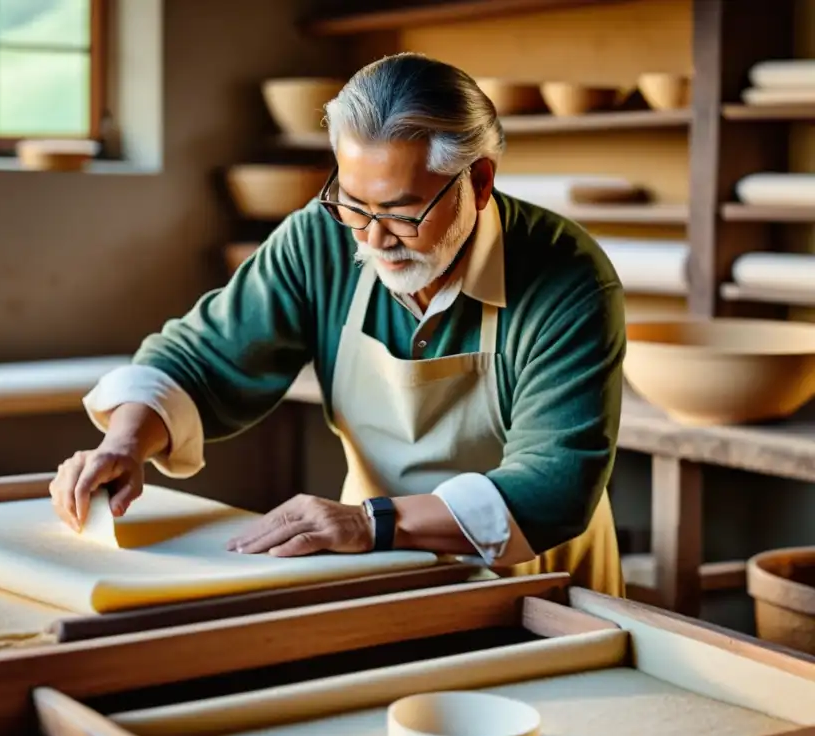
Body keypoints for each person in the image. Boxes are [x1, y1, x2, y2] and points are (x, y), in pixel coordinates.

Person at [49, 53, 626, 596]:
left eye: (402, 213)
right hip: (373, 563)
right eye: (353, 204)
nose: (373, 239)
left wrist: (370, 522)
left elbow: (555, 485)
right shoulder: (319, 240)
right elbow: (202, 359)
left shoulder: (567, 278)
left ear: (477, 183)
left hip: (534, 576)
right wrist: (124, 442)